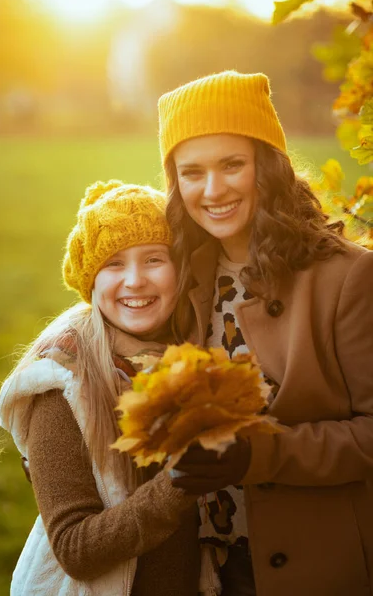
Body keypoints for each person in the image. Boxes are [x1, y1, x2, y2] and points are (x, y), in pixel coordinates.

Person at [157, 70, 373, 596]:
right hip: (206, 564)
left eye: (233, 164)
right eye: (192, 172)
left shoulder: (347, 277)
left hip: (317, 564)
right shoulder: (180, 275)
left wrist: (260, 454)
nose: (213, 190)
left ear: (268, 166)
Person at [0, 180, 204, 596]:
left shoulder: (198, 354)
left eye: (153, 259)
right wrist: (182, 480)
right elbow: (75, 547)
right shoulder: (63, 384)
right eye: (113, 263)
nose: (135, 280)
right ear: (90, 281)